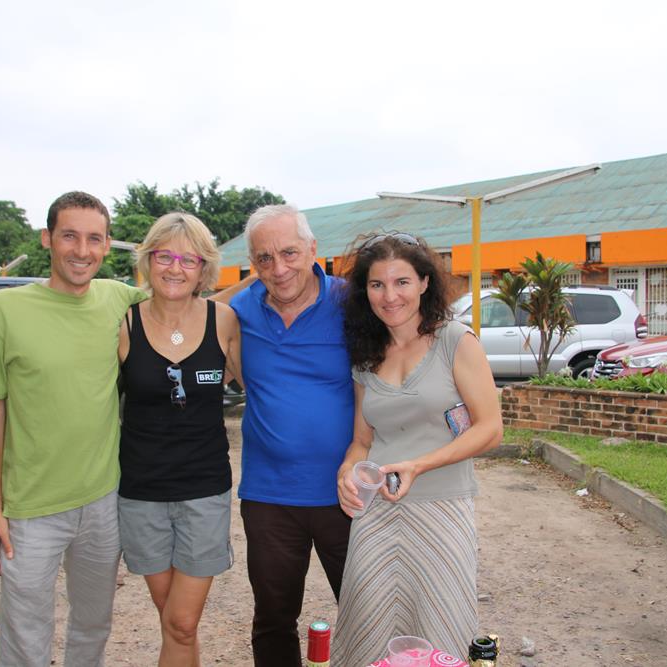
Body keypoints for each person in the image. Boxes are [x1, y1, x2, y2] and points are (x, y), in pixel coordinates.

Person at [0, 191, 147, 665]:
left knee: (93, 624)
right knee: (25, 633)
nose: (82, 250)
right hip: (29, 508)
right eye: (69, 236)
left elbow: (191, 302)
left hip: (102, 501)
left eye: (94, 239)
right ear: (47, 239)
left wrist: (264, 278)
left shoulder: (117, 298)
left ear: (107, 244)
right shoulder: (4, 308)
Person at [332, 232, 503, 665]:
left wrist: (418, 465)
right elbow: (362, 441)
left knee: (439, 630)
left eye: (402, 282)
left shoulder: (455, 341)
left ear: (425, 283)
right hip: (376, 515)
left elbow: (490, 429)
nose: (390, 296)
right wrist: (347, 472)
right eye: (377, 284)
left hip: (442, 511)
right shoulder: (366, 353)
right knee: (368, 627)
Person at [229, 204, 354, 667]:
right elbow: (182, 312)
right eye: (264, 258)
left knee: (366, 612)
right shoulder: (239, 310)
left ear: (313, 249)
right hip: (269, 497)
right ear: (252, 264)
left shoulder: (351, 303)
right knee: (274, 618)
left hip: (346, 493)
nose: (278, 269)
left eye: (289, 253)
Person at [117, 212, 242, 667]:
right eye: (165, 256)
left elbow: (262, 384)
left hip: (204, 491)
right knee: (171, 619)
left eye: (188, 259)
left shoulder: (224, 321)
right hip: (142, 493)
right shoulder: (124, 323)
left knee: (182, 622)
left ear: (203, 268)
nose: (175, 268)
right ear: (148, 260)